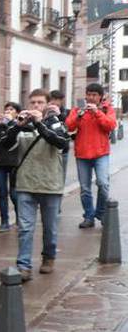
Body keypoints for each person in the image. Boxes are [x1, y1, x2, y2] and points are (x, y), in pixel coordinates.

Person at [0, 89, 69, 281]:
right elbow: (4, 145)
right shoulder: (22, 125)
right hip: (25, 184)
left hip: (50, 185)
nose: (36, 106)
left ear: (46, 105)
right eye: (33, 103)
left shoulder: (55, 123)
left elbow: (62, 143)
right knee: (25, 228)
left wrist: (39, 123)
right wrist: (17, 126)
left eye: (40, 102)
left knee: (50, 228)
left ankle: (49, 257)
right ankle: (24, 266)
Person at [65, 83, 117, 229]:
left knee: (103, 184)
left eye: (94, 95)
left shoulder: (107, 110)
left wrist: (97, 113)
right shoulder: (78, 110)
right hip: (82, 154)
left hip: (101, 153)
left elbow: (110, 125)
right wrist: (79, 116)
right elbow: (69, 126)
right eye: (88, 94)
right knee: (85, 189)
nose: (90, 98)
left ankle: (100, 212)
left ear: (100, 97)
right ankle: (88, 216)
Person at [0, 102, 22, 232]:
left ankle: (20, 219)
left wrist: (12, 123)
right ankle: (4, 222)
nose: (8, 111)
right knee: (3, 194)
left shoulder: (19, 125)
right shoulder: (0, 125)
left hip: (14, 163)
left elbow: (14, 139)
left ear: (17, 113)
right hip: (0, 163)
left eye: (11, 109)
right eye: (6, 109)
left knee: (14, 194)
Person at [49, 90, 71, 186]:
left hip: (63, 150)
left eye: (56, 100)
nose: (54, 102)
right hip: (49, 149)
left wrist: (59, 115)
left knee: (61, 176)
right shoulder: (47, 111)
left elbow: (69, 127)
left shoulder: (67, 112)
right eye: (52, 99)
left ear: (61, 101)